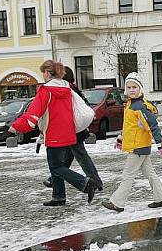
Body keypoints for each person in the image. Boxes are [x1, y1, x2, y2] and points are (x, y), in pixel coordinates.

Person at [9, 60, 98, 207]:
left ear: (48, 73)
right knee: (58, 165)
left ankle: (85, 183)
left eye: (43, 72)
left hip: (54, 132)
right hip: (69, 131)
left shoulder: (46, 90)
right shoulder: (67, 87)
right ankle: (58, 196)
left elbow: (33, 113)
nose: (43, 75)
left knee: (56, 167)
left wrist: (17, 126)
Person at [102, 72, 162, 212]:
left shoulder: (139, 106)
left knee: (128, 175)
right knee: (150, 173)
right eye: (129, 87)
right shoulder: (130, 105)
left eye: (135, 87)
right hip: (138, 146)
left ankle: (117, 203)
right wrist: (120, 139)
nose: (132, 90)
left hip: (138, 147)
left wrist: (160, 144)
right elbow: (128, 127)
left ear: (140, 89)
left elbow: (152, 125)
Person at [42, 66, 103, 192]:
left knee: (81, 157)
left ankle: (95, 182)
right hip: (74, 129)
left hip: (73, 130)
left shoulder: (67, 89)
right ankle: (55, 180)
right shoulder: (71, 88)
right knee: (67, 158)